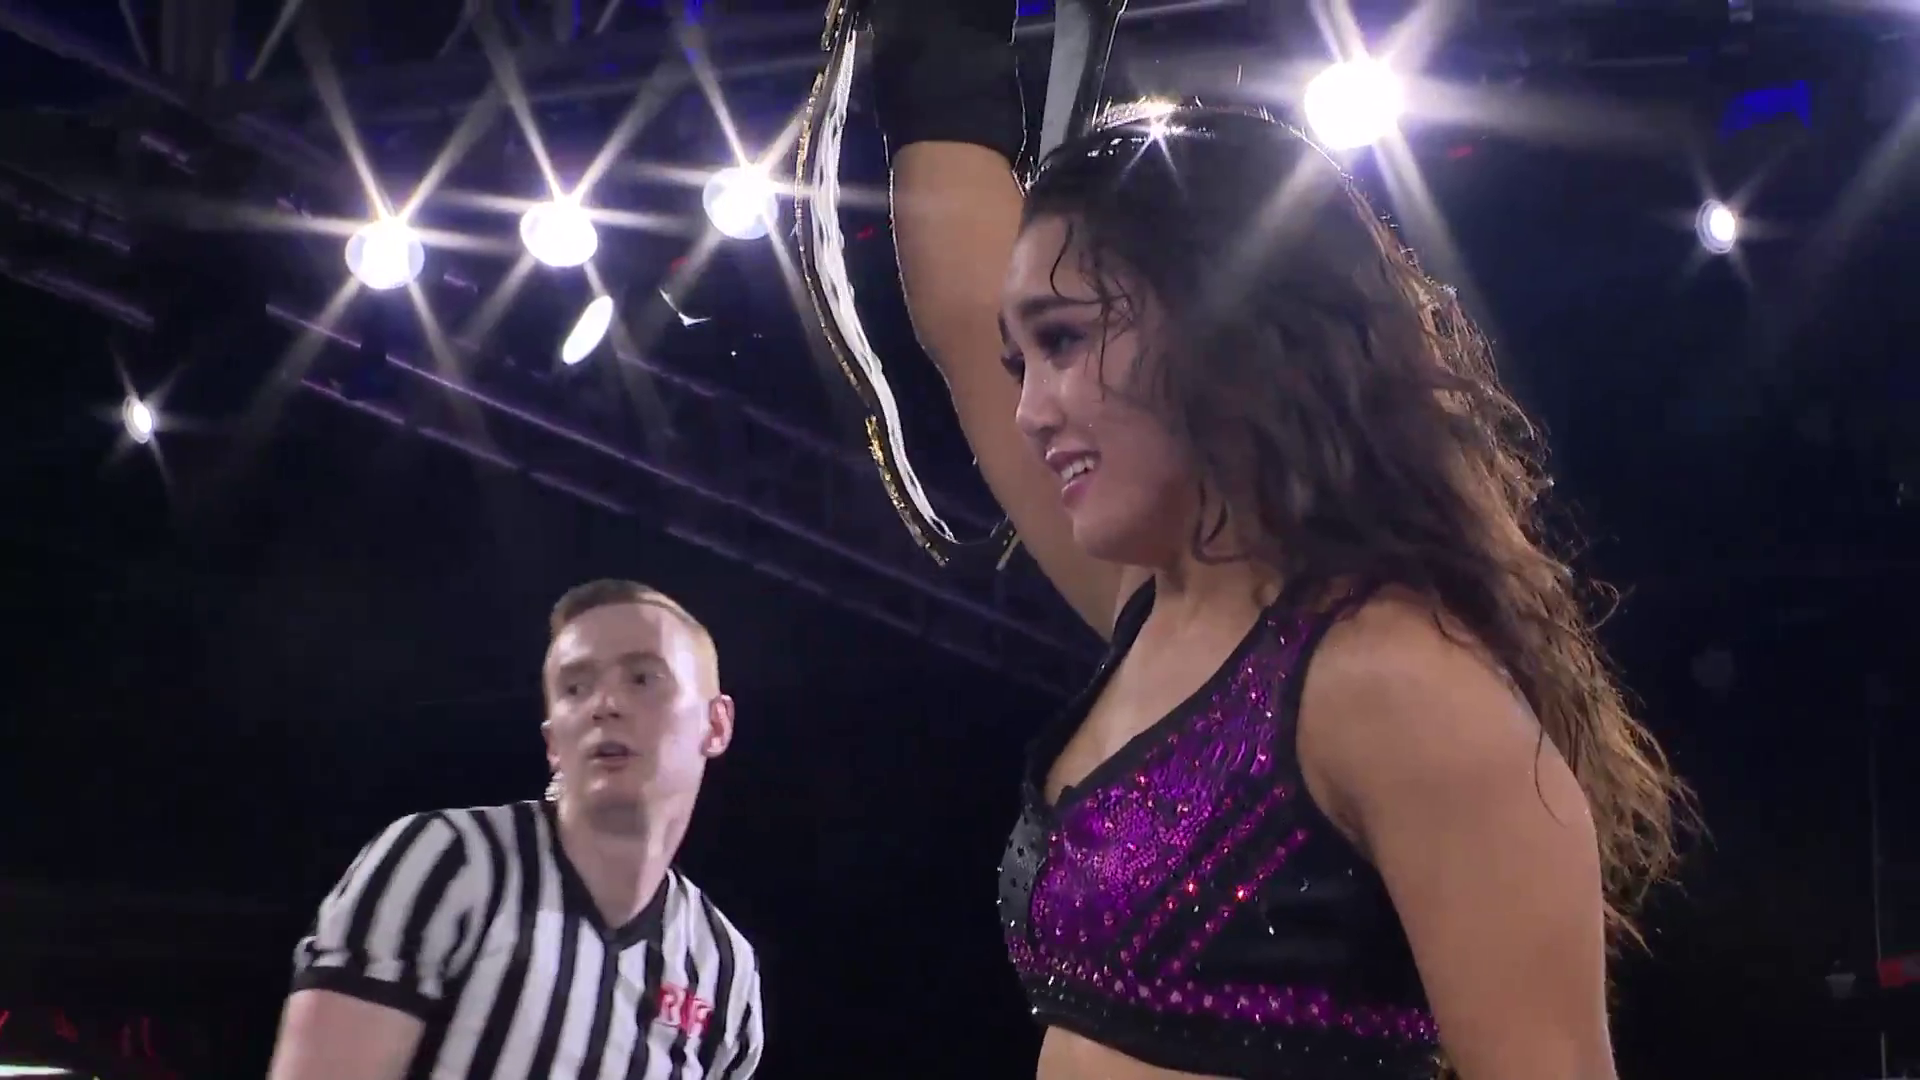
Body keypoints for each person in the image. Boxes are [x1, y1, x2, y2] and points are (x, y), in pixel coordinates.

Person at [861, 3, 1692, 1078]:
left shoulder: (1398, 683)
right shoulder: (1163, 603)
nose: (1029, 410)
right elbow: (959, 305)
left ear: (1224, 321)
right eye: (1023, 361)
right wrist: (938, 39)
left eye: (1064, 341)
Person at [266, 579, 765, 1080]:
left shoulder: (725, 967)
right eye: (575, 688)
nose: (604, 703)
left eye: (642, 678)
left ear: (716, 724)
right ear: (553, 743)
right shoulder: (449, 863)